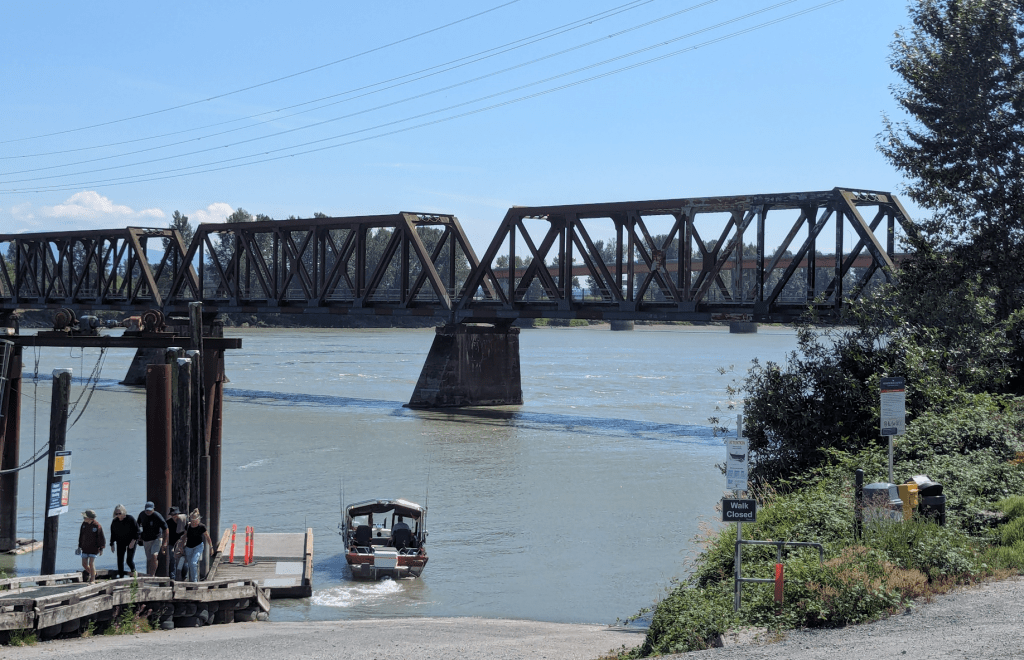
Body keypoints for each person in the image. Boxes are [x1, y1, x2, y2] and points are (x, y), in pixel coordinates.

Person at [137, 501, 167, 577]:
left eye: (150, 510)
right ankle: (150, 574)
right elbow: (137, 526)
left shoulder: (157, 516)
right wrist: (139, 535)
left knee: (154, 555)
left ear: (153, 509)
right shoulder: (142, 515)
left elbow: (166, 529)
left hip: (156, 538)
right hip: (146, 539)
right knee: (149, 558)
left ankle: (152, 575)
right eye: (146, 510)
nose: (148, 512)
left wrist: (164, 542)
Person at [108, 505, 139, 578]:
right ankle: (121, 576)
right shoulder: (115, 521)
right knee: (120, 560)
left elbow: (137, 531)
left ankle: (134, 572)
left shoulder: (130, 519)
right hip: (120, 541)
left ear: (123, 512)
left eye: (120, 513)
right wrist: (112, 544)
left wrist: (133, 541)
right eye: (116, 514)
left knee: (129, 560)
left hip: (131, 540)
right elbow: (113, 534)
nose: (118, 515)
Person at [183, 509, 213, 583]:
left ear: (198, 519)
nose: (194, 522)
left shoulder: (201, 527)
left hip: (198, 546)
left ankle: (195, 582)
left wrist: (211, 547)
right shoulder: (188, 526)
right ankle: (190, 581)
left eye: (195, 520)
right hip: (188, 547)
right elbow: (184, 536)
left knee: (193, 563)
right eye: (192, 520)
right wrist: (181, 546)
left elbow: (207, 537)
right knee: (190, 565)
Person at [77, 509, 105, 583]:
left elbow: (101, 537)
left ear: (90, 518)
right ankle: (94, 573)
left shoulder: (97, 526)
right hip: (85, 547)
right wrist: (79, 546)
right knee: (84, 564)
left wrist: (101, 548)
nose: (83, 519)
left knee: (91, 563)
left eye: (85, 517)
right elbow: (81, 535)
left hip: (94, 548)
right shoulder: (84, 524)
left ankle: (92, 579)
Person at [166, 506, 187, 580]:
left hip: (182, 543)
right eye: (172, 515)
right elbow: (165, 533)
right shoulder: (168, 522)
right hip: (172, 543)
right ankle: (172, 578)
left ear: (178, 514)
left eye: (175, 514)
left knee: (183, 560)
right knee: (172, 559)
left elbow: (187, 532)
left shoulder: (183, 521)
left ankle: (184, 576)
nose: (174, 516)